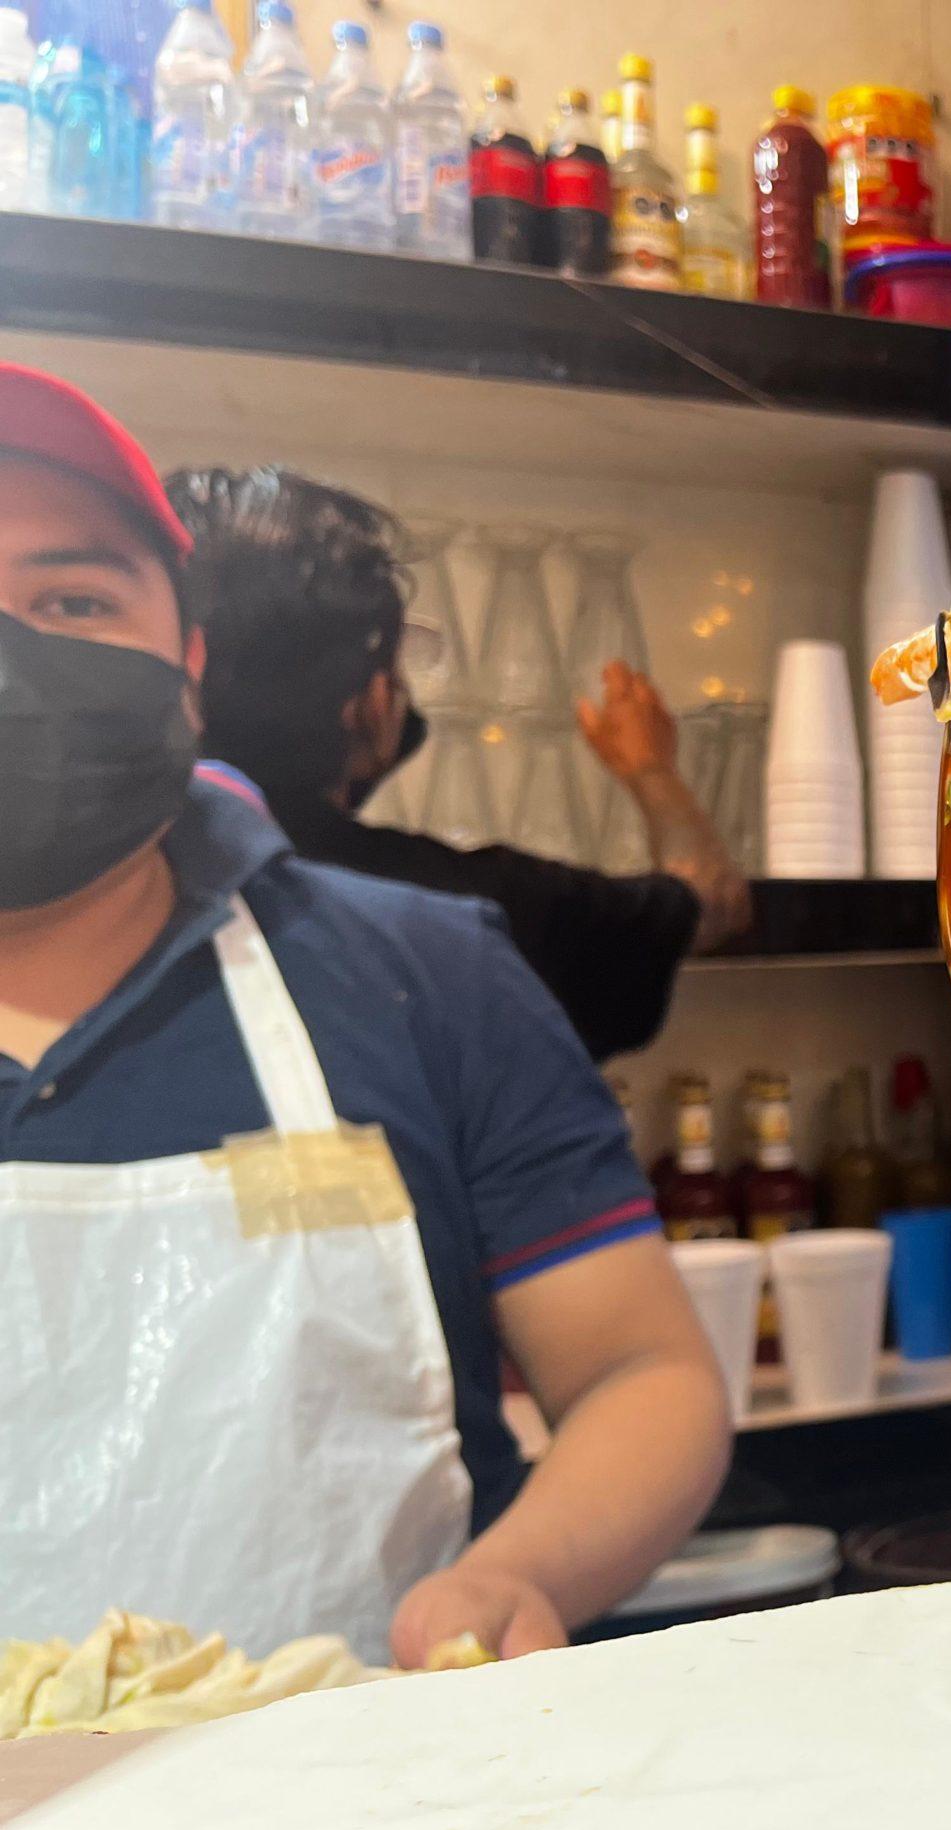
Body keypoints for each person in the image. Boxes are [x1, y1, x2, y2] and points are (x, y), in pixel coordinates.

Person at [0, 365, 731, 1664]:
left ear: (190, 662)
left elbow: (644, 1374)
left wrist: (516, 1576)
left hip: (394, 1766)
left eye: (75, 601)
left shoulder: (432, 972)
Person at [162, 467, 749, 1062]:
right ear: (372, 706)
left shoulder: (130, 880)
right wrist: (650, 768)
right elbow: (713, 902)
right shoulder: (471, 912)